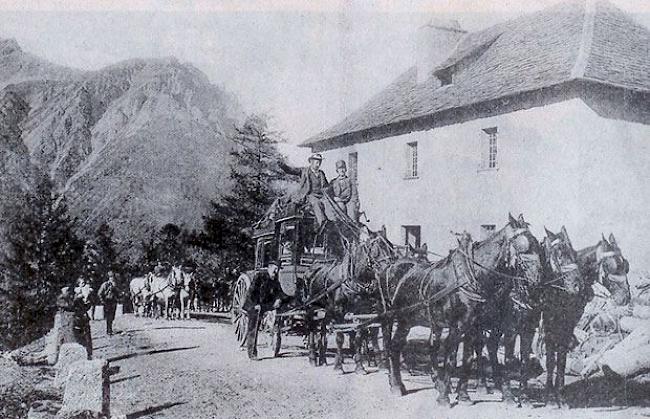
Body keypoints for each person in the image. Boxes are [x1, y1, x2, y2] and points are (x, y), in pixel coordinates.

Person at [242, 261, 285, 360]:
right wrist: (255, 304)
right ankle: (252, 353)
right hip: (253, 305)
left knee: (277, 313)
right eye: (275, 268)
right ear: (269, 268)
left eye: (278, 269)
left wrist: (279, 299)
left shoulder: (275, 280)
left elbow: (280, 292)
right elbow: (251, 292)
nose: (276, 271)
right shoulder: (259, 276)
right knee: (253, 326)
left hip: (265, 305)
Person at [279, 153, 329, 226]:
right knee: (316, 203)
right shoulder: (304, 171)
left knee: (329, 205)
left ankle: (334, 223)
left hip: (321, 196)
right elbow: (291, 170)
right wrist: (282, 165)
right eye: (317, 162)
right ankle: (323, 223)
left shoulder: (321, 174)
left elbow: (326, 186)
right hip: (309, 196)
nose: (318, 164)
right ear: (311, 162)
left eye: (320, 162)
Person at [98, 271, 119, 336]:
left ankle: (110, 329)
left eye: (113, 277)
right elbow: (99, 293)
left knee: (112, 316)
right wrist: (102, 301)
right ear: (109, 278)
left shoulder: (115, 284)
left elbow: (118, 293)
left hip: (113, 302)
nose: (112, 279)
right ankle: (109, 330)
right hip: (107, 301)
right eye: (111, 277)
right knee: (108, 317)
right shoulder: (105, 284)